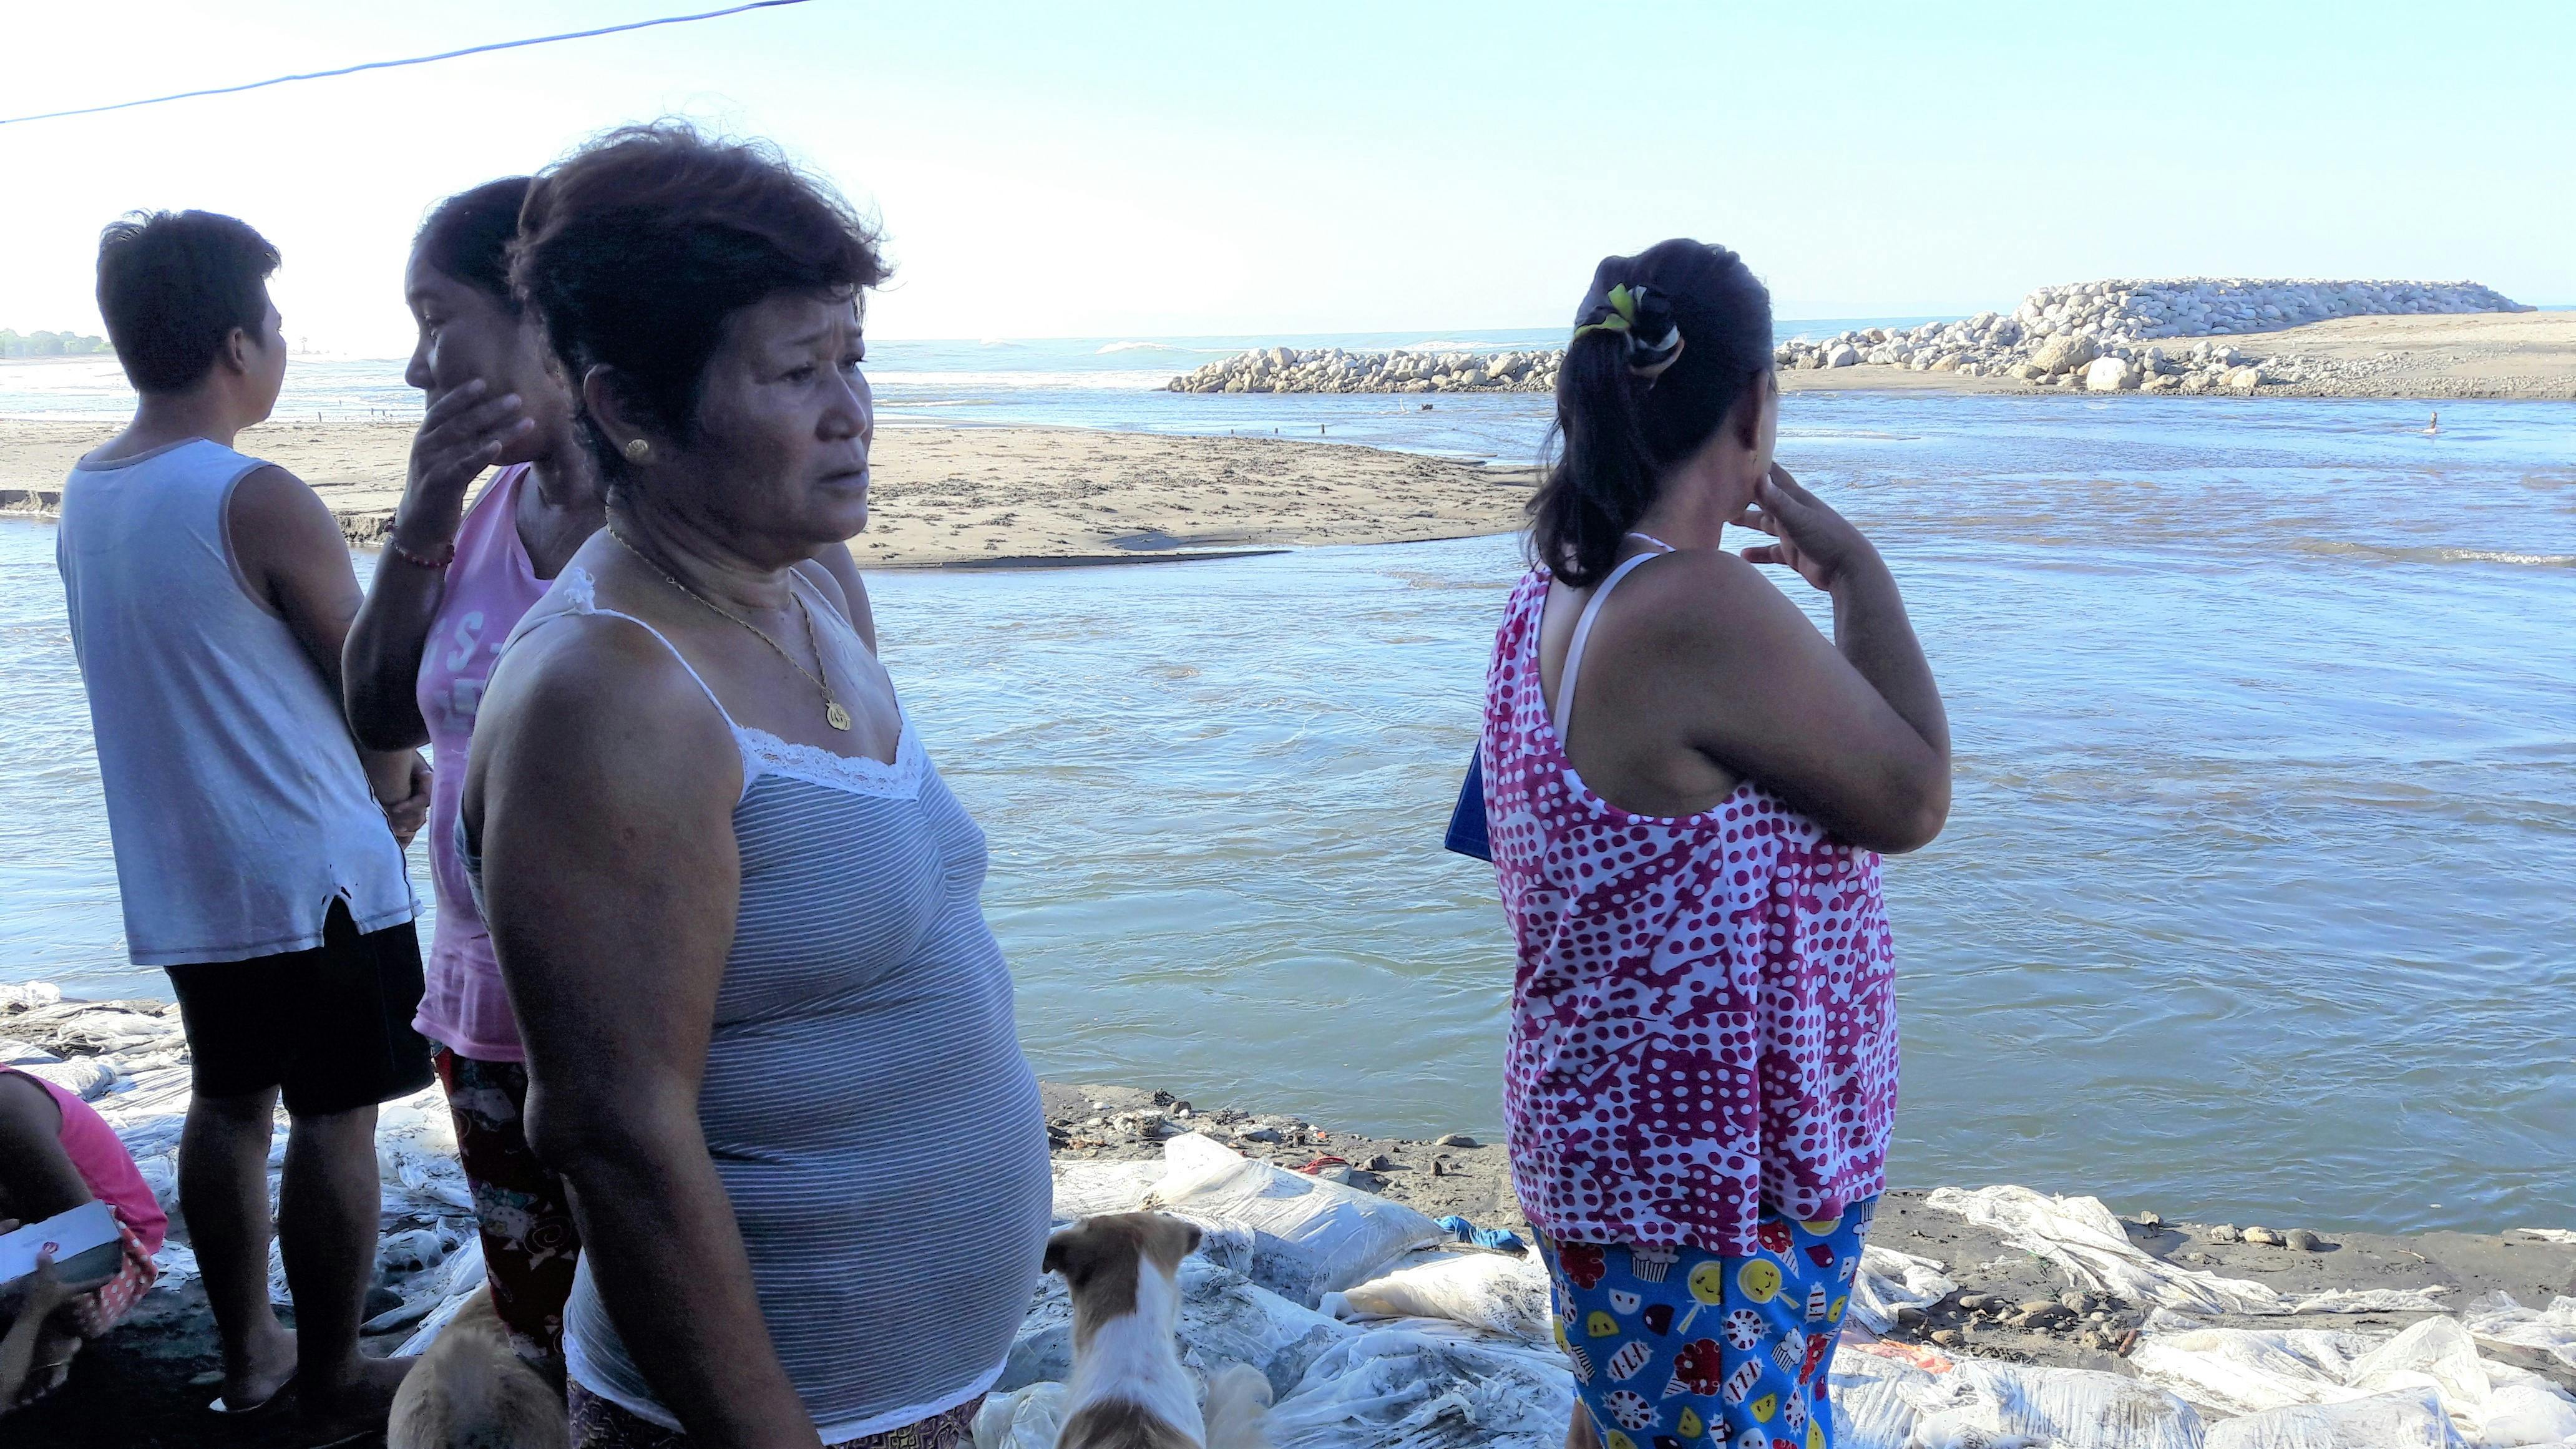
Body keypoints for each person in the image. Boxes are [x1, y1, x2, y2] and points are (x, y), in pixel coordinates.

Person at [462, 124, 1051, 1449]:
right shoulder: (609, 695)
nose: (853, 413)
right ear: (626, 409)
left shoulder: (811, 586)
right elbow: (615, 1135)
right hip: (783, 1416)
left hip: (921, 1387)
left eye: (854, 359)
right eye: (798, 372)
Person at [342, 178, 879, 1379]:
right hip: (490, 1013)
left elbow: (850, 799)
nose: (423, 367)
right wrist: (424, 512)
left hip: (684, 1019)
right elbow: (378, 711)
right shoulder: (481, 518)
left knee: (712, 1332)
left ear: (543, 325)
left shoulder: (725, 541)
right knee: (562, 1346)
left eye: (440, 320)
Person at [1480, 242, 1950, 1449]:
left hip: (1606, 1147)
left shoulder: (1551, 593)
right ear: (1752, 407)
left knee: (1623, 1418)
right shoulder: (1697, 607)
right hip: (1705, 1196)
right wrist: (1852, 570)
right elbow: (1911, 795)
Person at [55, 210, 432, 1437]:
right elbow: (365, 676)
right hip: (308, 863)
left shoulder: (90, 490)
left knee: (230, 1103)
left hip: (190, 870)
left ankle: (249, 1348)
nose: (281, 348)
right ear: (234, 343)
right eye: (275, 328)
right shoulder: (255, 494)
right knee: (335, 1117)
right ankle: (325, 1378)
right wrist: (397, 786)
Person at [0, 1063, 171, 1413]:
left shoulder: (7, 1107)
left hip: (104, 1249)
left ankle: (54, 1338)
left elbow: (84, 1239)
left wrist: (36, 1315)